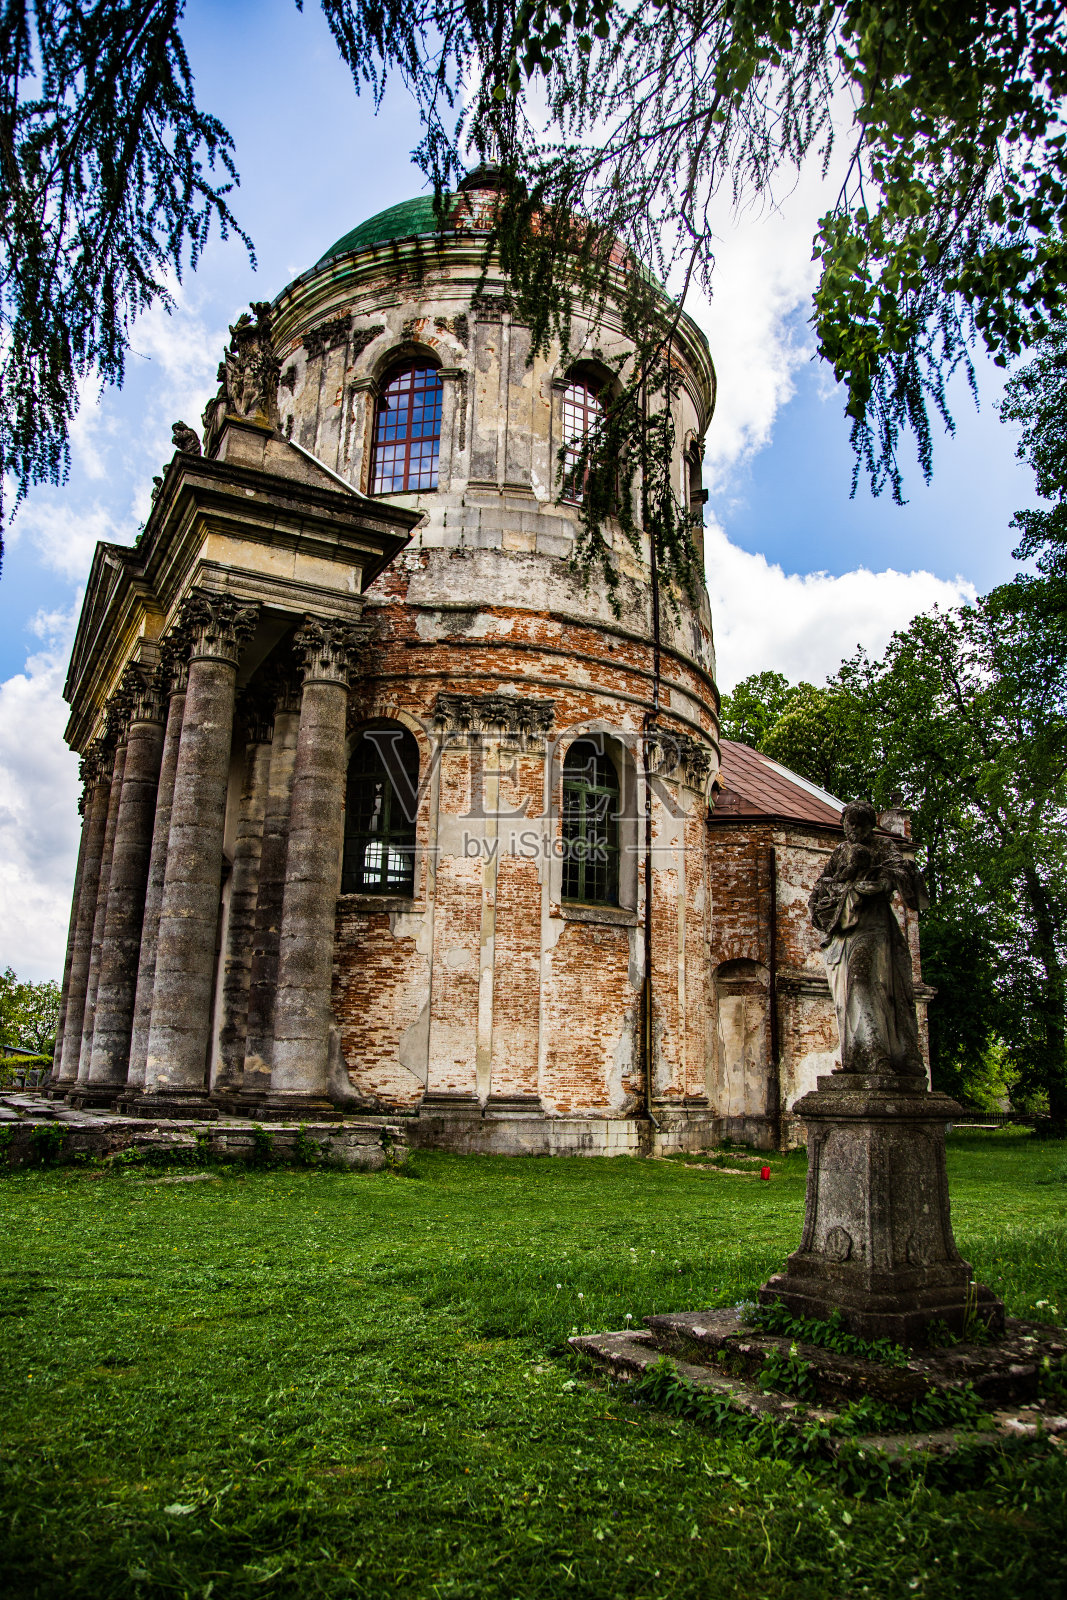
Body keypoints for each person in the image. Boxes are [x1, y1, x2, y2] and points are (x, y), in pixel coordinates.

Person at [809, 800, 929, 1076]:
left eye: (859, 825)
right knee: (848, 991)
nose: (853, 830)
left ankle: (881, 1056)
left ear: (870, 826)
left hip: (875, 926)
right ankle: (858, 1057)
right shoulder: (841, 851)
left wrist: (883, 881)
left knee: (865, 981)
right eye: (849, 824)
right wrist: (835, 890)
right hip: (846, 929)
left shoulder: (883, 846)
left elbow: (902, 873)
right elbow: (821, 886)